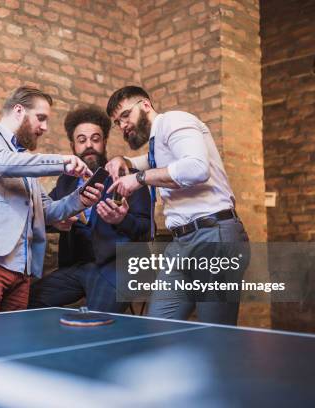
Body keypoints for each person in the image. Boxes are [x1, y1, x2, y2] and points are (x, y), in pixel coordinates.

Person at [0, 87, 103, 316]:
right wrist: (62, 162)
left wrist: (80, 199)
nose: (44, 128)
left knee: (14, 346)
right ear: (18, 110)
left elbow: (48, 209)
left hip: (21, 272)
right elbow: (2, 163)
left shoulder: (25, 163)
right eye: (41, 118)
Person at [105, 85, 249, 325]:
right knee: (157, 328)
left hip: (214, 236)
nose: (123, 126)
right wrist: (125, 160)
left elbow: (196, 168)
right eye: (117, 123)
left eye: (125, 116)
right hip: (182, 243)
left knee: (214, 335)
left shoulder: (174, 120)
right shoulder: (157, 142)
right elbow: (150, 161)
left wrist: (139, 179)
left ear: (145, 105)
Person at [28, 105, 151, 313]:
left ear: (104, 142)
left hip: (120, 267)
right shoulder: (66, 181)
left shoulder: (126, 175)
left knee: (96, 322)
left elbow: (147, 228)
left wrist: (121, 220)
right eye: (82, 140)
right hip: (77, 267)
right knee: (28, 301)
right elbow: (46, 210)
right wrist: (56, 221)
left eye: (95, 139)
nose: (89, 145)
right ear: (73, 146)